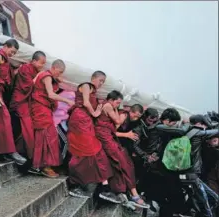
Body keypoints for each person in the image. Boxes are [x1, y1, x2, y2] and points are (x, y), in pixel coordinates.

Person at [67, 71, 122, 203]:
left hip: (86, 122)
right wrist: (96, 112)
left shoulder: (94, 93)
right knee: (85, 152)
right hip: (79, 120)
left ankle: (105, 188)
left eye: (103, 81)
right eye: (100, 80)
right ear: (93, 78)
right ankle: (75, 184)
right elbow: (85, 103)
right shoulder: (86, 85)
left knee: (96, 152)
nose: (101, 83)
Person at [95, 90, 149, 209]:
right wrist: (127, 135)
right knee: (124, 164)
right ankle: (133, 195)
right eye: (136, 115)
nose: (136, 118)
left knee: (128, 165)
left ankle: (130, 193)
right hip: (109, 139)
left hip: (117, 143)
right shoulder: (123, 115)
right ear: (132, 111)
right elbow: (113, 131)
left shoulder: (131, 119)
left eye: (139, 117)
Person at [29, 59, 75, 178]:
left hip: (45, 109)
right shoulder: (47, 76)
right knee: (45, 136)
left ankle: (42, 165)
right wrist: (67, 100)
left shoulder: (49, 77)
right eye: (59, 72)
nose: (59, 75)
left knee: (49, 136)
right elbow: (50, 94)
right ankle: (42, 166)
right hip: (40, 108)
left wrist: (58, 80)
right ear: (53, 68)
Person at [9, 51, 47, 159]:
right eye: (41, 63)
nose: (42, 66)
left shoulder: (34, 70)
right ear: (34, 61)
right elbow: (28, 86)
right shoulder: (26, 68)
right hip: (19, 101)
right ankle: (28, 155)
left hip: (27, 102)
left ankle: (22, 151)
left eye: (44, 63)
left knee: (28, 129)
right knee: (26, 128)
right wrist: (39, 76)